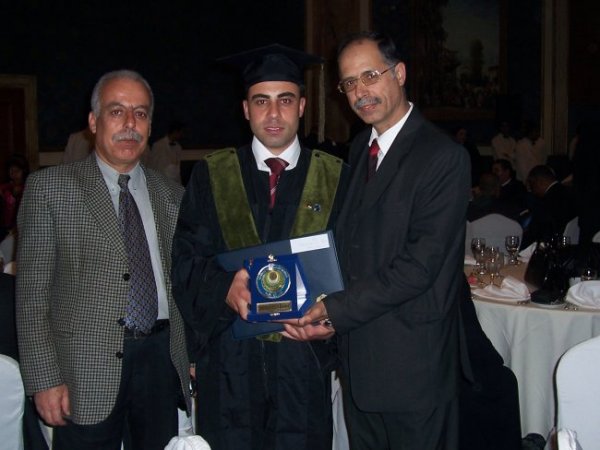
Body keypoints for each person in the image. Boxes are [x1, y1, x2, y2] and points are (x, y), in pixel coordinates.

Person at [285, 32, 471, 450]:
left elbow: (418, 267)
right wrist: (328, 317)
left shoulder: (442, 157)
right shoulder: (360, 148)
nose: (360, 92)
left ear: (399, 73)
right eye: (349, 82)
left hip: (413, 369)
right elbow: (351, 246)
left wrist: (333, 309)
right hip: (359, 361)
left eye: (370, 75)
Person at [172, 44, 348, 450]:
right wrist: (223, 288)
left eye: (285, 100)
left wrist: (333, 322)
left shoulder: (336, 177)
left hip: (302, 362)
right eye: (261, 101)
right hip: (231, 364)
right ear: (245, 109)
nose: (273, 114)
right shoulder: (212, 175)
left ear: (302, 106)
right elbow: (185, 259)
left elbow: (357, 268)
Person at [16, 69, 190, 450]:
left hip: (160, 362)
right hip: (83, 370)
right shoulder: (50, 189)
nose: (130, 124)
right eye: (117, 111)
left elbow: (185, 283)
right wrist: (44, 378)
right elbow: (31, 295)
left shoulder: (173, 196)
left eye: (140, 114)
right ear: (94, 122)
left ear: (150, 126)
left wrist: (189, 355)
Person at [522, 164, 577, 248]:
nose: (533, 192)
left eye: (532, 186)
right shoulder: (572, 192)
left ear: (540, 182)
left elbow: (538, 231)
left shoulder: (544, 202)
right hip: (574, 243)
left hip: (555, 246)